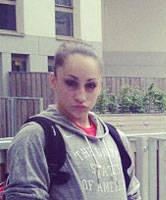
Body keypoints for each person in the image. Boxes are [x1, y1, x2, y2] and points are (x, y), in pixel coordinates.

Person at [3, 41, 141, 200]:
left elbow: (133, 194)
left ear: (100, 87)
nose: (81, 96)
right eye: (71, 83)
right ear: (53, 80)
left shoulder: (116, 138)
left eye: (91, 85)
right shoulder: (34, 137)